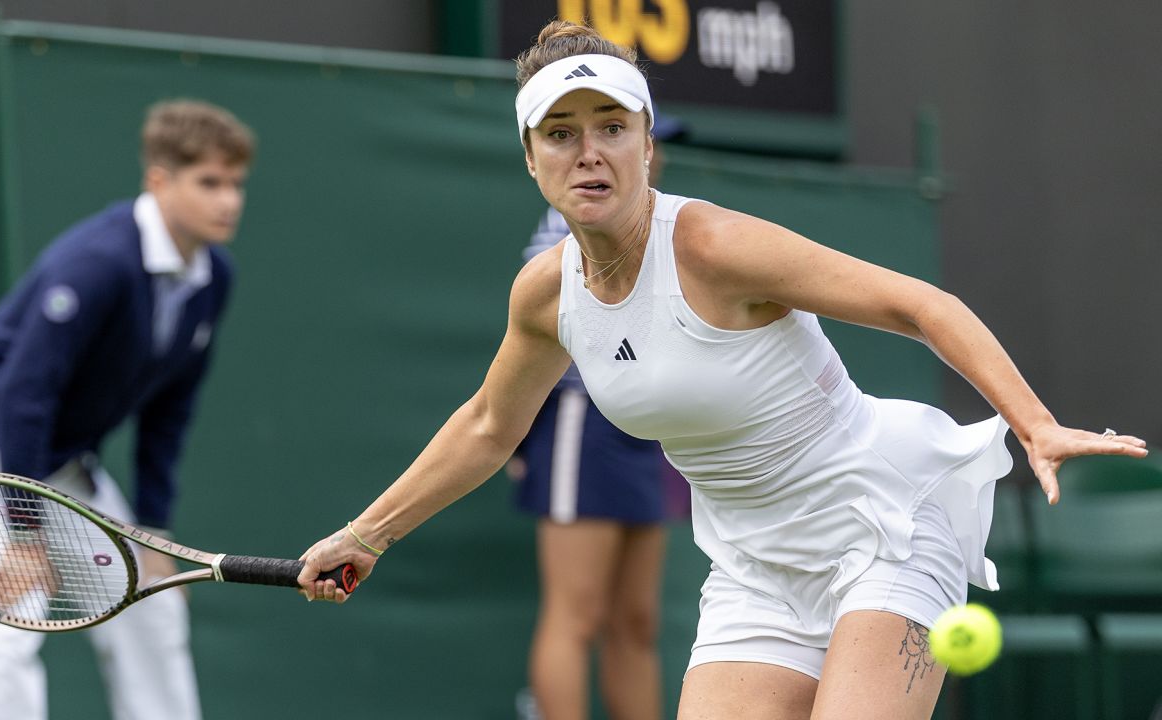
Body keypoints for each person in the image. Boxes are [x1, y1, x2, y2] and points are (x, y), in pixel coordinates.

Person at [296, 21, 1148, 720]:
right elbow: (490, 423)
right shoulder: (545, 294)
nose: (588, 153)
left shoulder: (710, 246)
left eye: (611, 128)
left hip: (881, 525)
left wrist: (1033, 422)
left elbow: (918, 305)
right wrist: (368, 533)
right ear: (531, 158)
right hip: (753, 568)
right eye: (560, 134)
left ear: (646, 144)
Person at [0, 99, 254, 720]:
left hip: (57, 457)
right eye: (209, 182)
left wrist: (154, 532)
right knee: (13, 613)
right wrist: (22, 531)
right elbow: (24, 393)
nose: (229, 200)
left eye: (236, 184)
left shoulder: (212, 276)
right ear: (159, 180)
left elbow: (168, 413)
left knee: (152, 598)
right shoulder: (99, 261)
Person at [511, 112, 686, 720]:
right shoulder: (567, 226)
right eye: (594, 134)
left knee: (636, 620)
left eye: (625, 134)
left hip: (650, 426)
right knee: (575, 615)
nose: (641, 155)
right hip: (580, 420)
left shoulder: (670, 222)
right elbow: (542, 333)